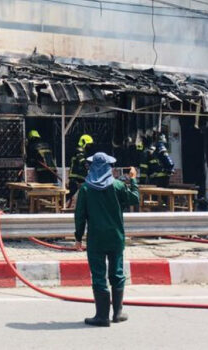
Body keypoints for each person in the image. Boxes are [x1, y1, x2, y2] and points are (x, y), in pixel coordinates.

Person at [74, 153, 140, 327]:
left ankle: (102, 316)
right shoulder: (118, 186)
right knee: (117, 273)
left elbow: (80, 216)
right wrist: (133, 179)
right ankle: (117, 313)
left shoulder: (86, 189)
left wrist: (78, 238)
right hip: (116, 237)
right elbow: (135, 198)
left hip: (96, 239)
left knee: (98, 275)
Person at [68, 134, 94, 201]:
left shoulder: (84, 151)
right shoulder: (79, 150)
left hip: (81, 176)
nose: (90, 146)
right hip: (76, 176)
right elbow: (80, 158)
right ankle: (61, 203)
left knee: (86, 192)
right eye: (88, 144)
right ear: (84, 142)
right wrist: (86, 164)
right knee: (72, 191)